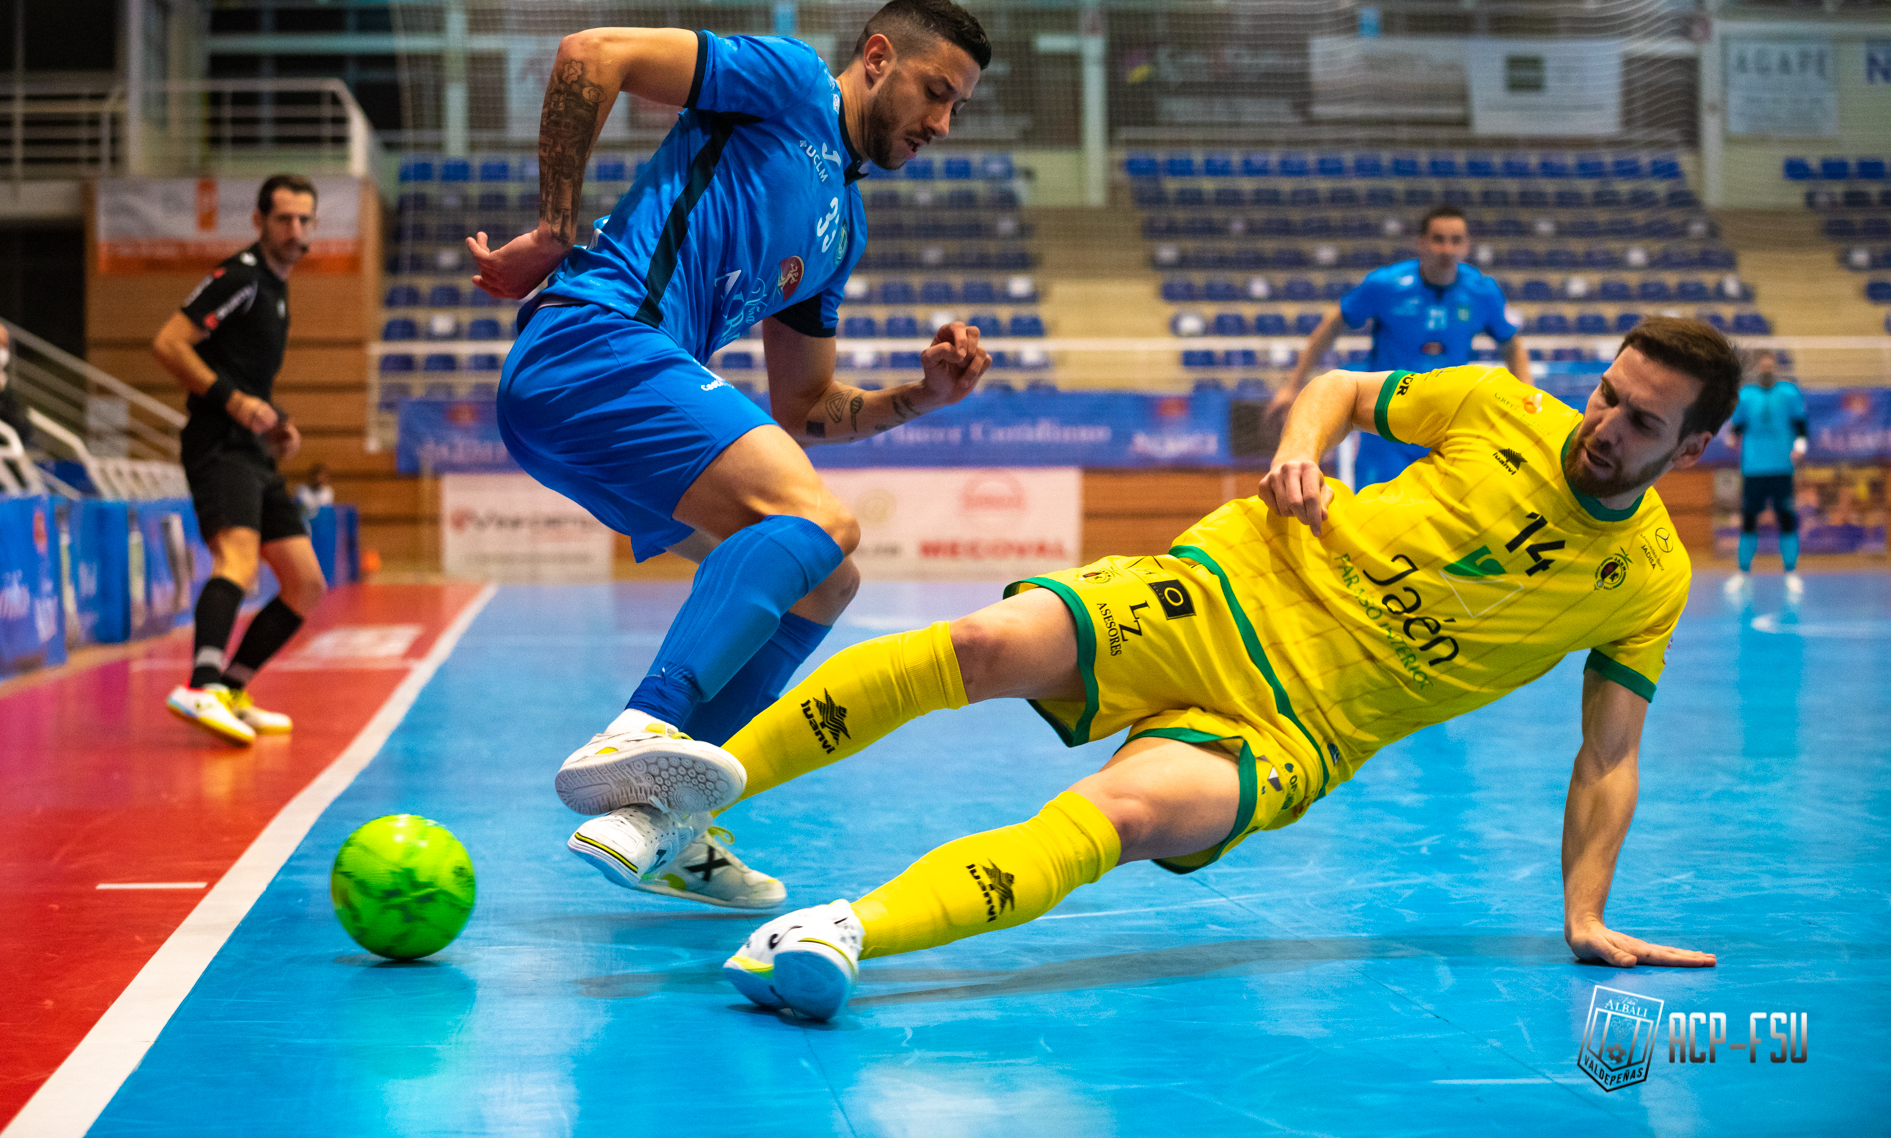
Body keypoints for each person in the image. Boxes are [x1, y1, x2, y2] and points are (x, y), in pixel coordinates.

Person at [701, 316, 1737, 1020]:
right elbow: (1338, 385)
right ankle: (688, 796)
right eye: (1607, 392)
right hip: (1235, 587)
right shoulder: (1495, 403)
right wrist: (1298, 450)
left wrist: (1584, 909)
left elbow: (1608, 753)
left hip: (1304, 732)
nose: (1602, 425)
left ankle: (839, 935)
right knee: (982, 647)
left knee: (1125, 817)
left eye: (1641, 421)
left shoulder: (1647, 581)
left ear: (1689, 449)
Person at [468, 0, 994, 909]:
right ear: (877, 56)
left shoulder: (844, 228)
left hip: (614, 381)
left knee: (829, 576)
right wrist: (557, 228)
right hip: (594, 337)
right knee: (818, 519)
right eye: (936, 92)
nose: (943, 125)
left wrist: (925, 397)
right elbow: (596, 51)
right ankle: (645, 730)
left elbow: (806, 406)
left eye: (959, 108)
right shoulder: (789, 83)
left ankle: (662, 820)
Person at [149, 175, 329, 747]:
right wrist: (235, 403)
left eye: (304, 220)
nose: (294, 230)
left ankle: (231, 687)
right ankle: (199, 684)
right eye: (283, 219)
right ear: (259, 221)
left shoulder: (277, 291)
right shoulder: (242, 278)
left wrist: (273, 422)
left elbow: (246, 376)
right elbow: (170, 343)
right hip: (217, 441)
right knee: (239, 559)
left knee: (305, 583)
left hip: (252, 447)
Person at [1266, 204, 1529, 491]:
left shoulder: (1482, 291)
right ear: (1421, 243)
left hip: (1445, 430)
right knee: (1372, 522)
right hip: (1386, 428)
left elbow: (1512, 346)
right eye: (1438, 239)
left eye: (1456, 240)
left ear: (1466, 246)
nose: (1447, 248)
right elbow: (1329, 327)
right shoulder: (1385, 285)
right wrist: (1293, 387)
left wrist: (1527, 402)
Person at [1724, 350, 1809, 598]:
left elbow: (1801, 423)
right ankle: (1743, 573)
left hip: (1782, 467)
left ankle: (1791, 572)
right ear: (1757, 369)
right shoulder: (1746, 395)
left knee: (1787, 518)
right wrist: (1732, 437)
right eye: (1762, 367)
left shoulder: (1789, 393)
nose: (1766, 370)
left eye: (1770, 366)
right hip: (1753, 469)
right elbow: (1737, 426)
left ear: (1775, 368)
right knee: (1749, 519)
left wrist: (1801, 446)